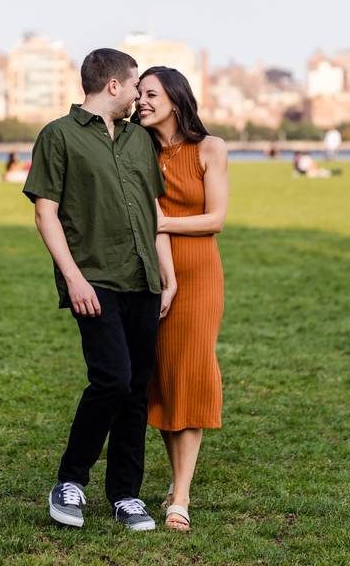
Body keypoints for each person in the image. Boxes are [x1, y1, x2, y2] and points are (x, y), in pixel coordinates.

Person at [23, 48, 177, 532]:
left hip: (143, 279)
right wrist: (72, 277)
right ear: (113, 85)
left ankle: (126, 495)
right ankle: (70, 480)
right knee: (111, 378)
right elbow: (45, 211)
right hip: (93, 279)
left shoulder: (138, 140)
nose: (138, 95)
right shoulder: (59, 136)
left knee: (135, 389)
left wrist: (166, 276)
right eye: (135, 85)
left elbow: (153, 214)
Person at [134, 66, 228, 532]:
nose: (142, 102)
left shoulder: (211, 149)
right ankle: (176, 480)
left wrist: (162, 221)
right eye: (138, 95)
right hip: (153, 274)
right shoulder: (138, 151)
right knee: (167, 379)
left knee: (190, 374)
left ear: (175, 97)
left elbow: (215, 220)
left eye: (151, 93)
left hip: (199, 274)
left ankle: (181, 498)